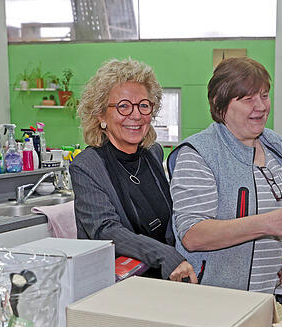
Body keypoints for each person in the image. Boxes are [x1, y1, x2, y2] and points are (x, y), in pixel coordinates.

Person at [169, 57, 282, 292]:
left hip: (270, 295)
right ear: (220, 104)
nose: (261, 106)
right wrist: (269, 223)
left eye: (264, 96)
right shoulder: (199, 154)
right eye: (248, 99)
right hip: (219, 301)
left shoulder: (275, 144)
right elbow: (193, 235)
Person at [72, 58, 196, 282]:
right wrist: (166, 256)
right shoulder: (86, 166)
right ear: (101, 115)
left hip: (168, 276)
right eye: (123, 106)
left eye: (143, 105)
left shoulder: (153, 154)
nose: (136, 115)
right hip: (119, 286)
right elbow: (105, 230)